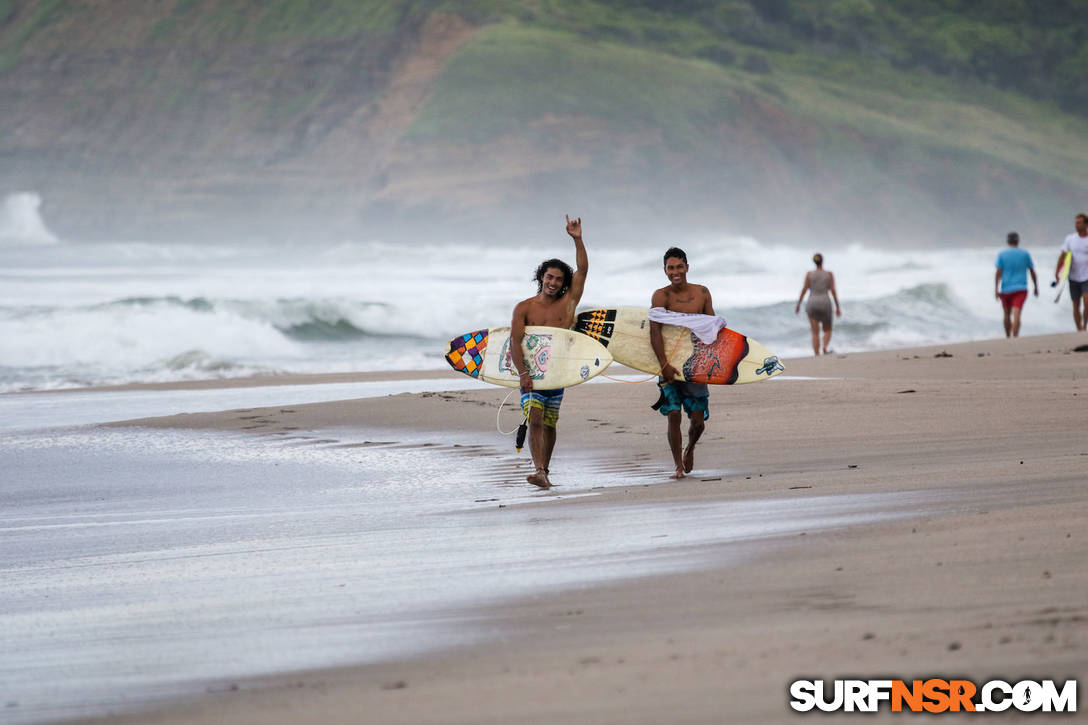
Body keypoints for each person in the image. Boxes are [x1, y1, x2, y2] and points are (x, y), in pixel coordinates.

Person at [510, 215, 588, 488]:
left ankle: (545, 470)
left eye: (558, 279)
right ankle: (539, 470)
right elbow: (514, 342)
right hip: (531, 374)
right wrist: (522, 373)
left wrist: (577, 240)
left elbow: (582, 271)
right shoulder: (524, 307)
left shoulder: (569, 303)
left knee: (550, 423)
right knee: (535, 417)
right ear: (541, 277)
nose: (553, 282)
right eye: (549, 276)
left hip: (557, 374)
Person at [650, 247, 713, 479]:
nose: (675, 272)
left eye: (679, 267)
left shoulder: (702, 293)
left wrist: (711, 364)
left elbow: (711, 329)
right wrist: (663, 364)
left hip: (695, 363)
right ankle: (677, 465)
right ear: (665, 270)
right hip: (669, 363)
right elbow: (655, 332)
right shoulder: (661, 296)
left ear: (687, 267)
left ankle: (690, 448)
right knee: (673, 413)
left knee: (698, 421)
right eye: (670, 268)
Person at [794, 253, 842, 355]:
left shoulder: (809, 274)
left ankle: (817, 354)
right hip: (825, 302)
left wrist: (798, 304)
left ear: (814, 262)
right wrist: (838, 307)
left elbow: (804, 290)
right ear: (822, 261)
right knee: (827, 330)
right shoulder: (829, 274)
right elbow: (833, 291)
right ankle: (824, 347)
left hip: (812, 302)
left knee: (815, 333)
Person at [994, 231, 1038, 337]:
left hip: (1005, 289)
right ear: (1018, 241)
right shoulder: (1025, 254)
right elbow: (1032, 271)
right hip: (1021, 289)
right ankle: (1015, 336)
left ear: (1007, 241)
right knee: (1017, 313)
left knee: (1006, 314)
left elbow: (998, 273)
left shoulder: (1002, 254)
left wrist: (996, 289)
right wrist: (1036, 286)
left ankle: (1008, 337)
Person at [1056, 213, 1088, 331]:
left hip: (1087, 277)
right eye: (1076, 223)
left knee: (1086, 300)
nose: (1076, 225)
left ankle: (1084, 326)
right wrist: (1057, 272)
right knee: (1076, 305)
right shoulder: (1070, 239)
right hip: (1073, 277)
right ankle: (1079, 328)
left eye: (1079, 222)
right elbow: (1063, 256)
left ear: (1086, 224)